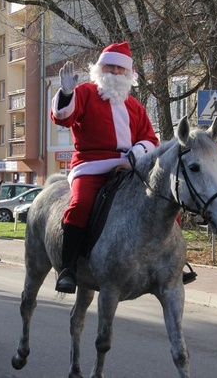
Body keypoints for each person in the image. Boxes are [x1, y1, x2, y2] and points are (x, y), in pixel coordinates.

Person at [50, 42, 159, 294]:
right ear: (100, 68)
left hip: (128, 167)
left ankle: (166, 263)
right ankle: (68, 268)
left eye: (120, 69)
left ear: (128, 74)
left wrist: (138, 151)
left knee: (160, 200)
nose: (114, 72)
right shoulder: (86, 92)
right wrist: (66, 93)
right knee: (80, 205)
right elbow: (63, 117)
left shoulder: (134, 106)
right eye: (109, 66)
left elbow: (150, 138)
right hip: (91, 166)